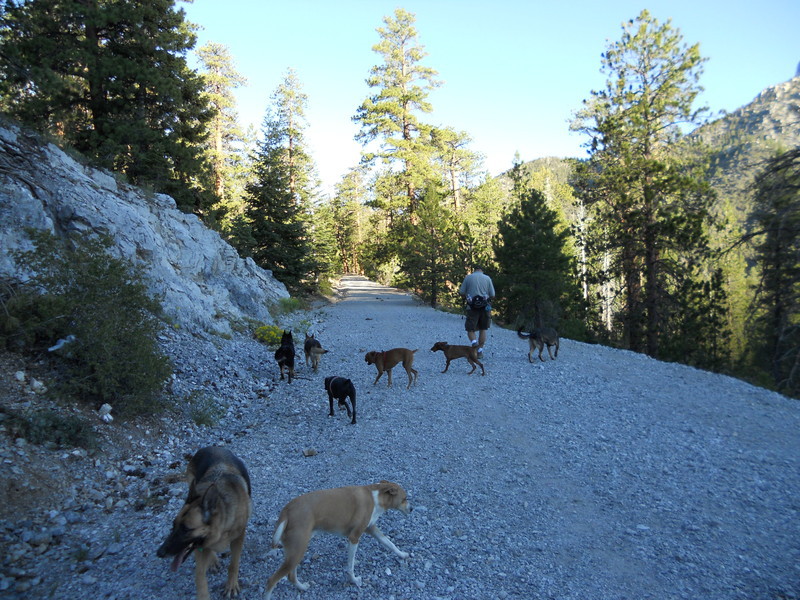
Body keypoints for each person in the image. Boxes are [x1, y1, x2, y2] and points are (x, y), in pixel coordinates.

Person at [459, 265, 496, 356]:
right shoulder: (487, 278)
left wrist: (467, 297)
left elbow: (461, 292)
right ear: (482, 270)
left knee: (470, 328)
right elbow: (492, 294)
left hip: (471, 307)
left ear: (474, 270)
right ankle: (479, 351)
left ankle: (474, 344)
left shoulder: (468, 278)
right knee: (483, 328)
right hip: (484, 307)